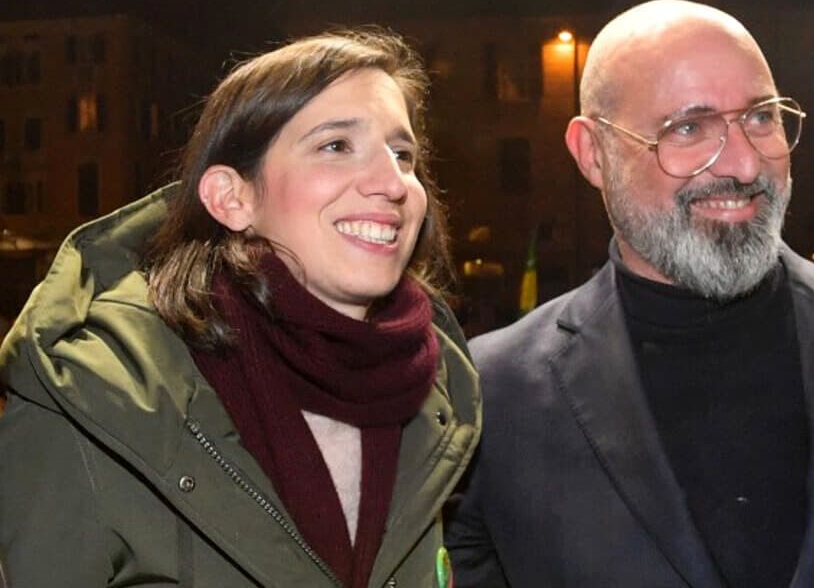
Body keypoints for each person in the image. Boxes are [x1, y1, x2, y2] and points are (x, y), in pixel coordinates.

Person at [444, 0, 814, 586]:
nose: (743, 164)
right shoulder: (494, 395)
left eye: (762, 117)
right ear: (593, 154)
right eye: (688, 128)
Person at [0, 31, 481, 587]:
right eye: (335, 146)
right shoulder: (92, 393)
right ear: (232, 198)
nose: (392, 183)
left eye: (403, 155)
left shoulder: (440, 394)